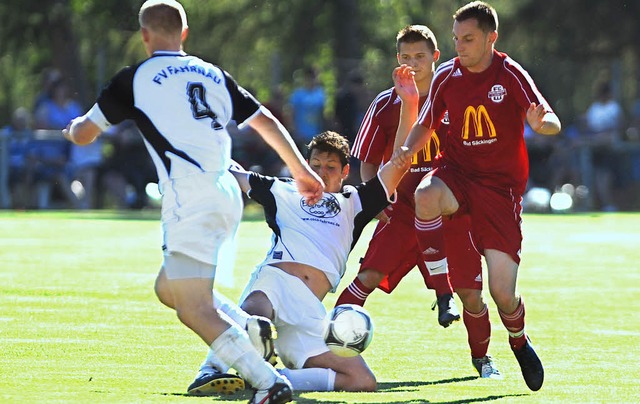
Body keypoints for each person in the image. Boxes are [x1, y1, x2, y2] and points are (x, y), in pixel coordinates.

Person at [61, 1, 324, 403]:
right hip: (225, 190)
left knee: (193, 308)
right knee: (169, 288)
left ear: (145, 35)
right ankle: (247, 328)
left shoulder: (134, 78)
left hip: (189, 196)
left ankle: (270, 383)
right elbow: (265, 122)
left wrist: (73, 129)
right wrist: (302, 172)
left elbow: (85, 134)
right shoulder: (212, 73)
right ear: (184, 34)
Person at [392, 1, 561, 392]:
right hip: (458, 174)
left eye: (468, 39)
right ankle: (442, 290)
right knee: (426, 195)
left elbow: (549, 118)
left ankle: (518, 339)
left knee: (503, 294)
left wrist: (542, 123)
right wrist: (407, 150)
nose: (460, 46)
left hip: (500, 191)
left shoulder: (510, 73)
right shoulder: (448, 76)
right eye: (456, 39)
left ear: (491, 38)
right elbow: (426, 122)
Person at [188, 131, 409, 396]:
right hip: (276, 281)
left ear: (345, 171)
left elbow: (400, 164)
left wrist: (409, 102)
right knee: (255, 318)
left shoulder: (355, 201)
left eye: (330, 167)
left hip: (309, 310)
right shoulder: (283, 190)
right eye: (314, 166)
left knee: (361, 380)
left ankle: (269, 377)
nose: (321, 173)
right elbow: (231, 174)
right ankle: (210, 370)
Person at [336, 25, 467, 330]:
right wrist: (376, 201)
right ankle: (332, 336)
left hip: (447, 212)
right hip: (402, 211)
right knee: (367, 276)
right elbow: (368, 162)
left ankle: (483, 358)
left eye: (420, 56)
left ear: (435, 56)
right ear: (397, 59)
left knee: (469, 291)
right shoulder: (384, 103)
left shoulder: (456, 97)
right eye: (406, 56)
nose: (413, 63)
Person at [579, 79, 624, 211]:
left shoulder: (614, 107)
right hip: (595, 148)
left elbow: (618, 128)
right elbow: (588, 127)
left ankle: (609, 203)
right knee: (597, 176)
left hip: (610, 148)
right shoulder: (594, 108)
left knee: (606, 177)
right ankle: (594, 203)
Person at [288, 67, 326, 146]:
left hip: (316, 134)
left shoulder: (320, 94)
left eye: (313, 77)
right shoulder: (298, 94)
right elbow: (291, 113)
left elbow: (322, 114)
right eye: (308, 78)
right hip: (300, 135)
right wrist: (294, 131)